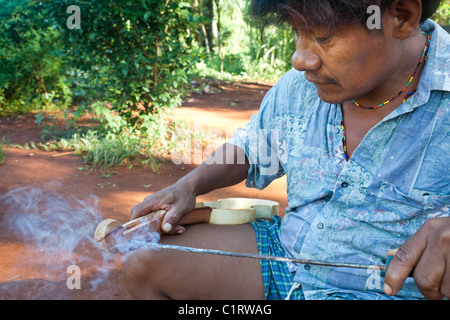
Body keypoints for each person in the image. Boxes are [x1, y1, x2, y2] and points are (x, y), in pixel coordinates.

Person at [123, 0, 449, 300]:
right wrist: (188, 186)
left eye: (324, 36)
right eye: (297, 31)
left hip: (389, 290)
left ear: (402, 16)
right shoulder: (299, 86)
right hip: (288, 258)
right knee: (144, 261)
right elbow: (254, 147)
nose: (300, 59)